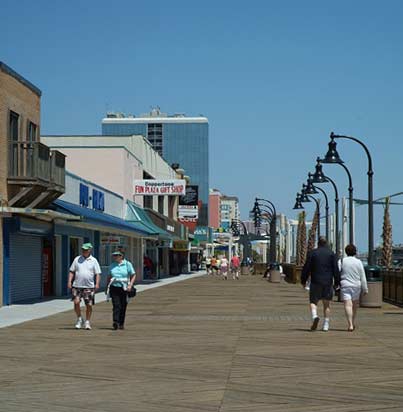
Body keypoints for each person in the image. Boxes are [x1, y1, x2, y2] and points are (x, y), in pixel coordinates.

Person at [301, 237, 340, 332]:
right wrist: (337, 282)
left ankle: (315, 316)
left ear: (318, 243)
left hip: (315, 281)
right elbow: (336, 269)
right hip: (328, 282)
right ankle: (326, 325)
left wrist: (303, 280)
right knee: (326, 304)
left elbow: (307, 268)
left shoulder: (312, 253)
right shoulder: (331, 254)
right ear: (326, 244)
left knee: (313, 302)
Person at [67, 243, 101, 330]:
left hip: (89, 286)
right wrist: (69, 281)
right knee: (76, 302)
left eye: (86, 249)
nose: (84, 251)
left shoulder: (94, 260)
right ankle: (79, 319)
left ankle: (87, 321)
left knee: (88, 305)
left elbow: (97, 273)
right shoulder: (77, 259)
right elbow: (71, 271)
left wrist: (97, 284)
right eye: (83, 249)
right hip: (77, 285)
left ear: (90, 250)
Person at [340, 244, 368, 332]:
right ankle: (352, 321)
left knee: (347, 305)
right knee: (354, 305)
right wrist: (365, 288)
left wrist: (336, 284)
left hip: (345, 285)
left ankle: (350, 324)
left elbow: (337, 274)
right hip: (356, 285)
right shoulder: (358, 262)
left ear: (346, 252)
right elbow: (362, 276)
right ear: (355, 252)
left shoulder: (342, 261)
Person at [107, 251, 136, 330]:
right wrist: (107, 287)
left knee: (123, 306)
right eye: (114, 255)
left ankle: (121, 323)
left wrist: (130, 285)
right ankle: (115, 322)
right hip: (114, 287)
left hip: (124, 287)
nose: (115, 257)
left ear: (121, 256)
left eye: (117, 255)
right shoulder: (112, 265)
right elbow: (109, 276)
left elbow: (133, 275)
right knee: (116, 305)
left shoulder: (127, 264)